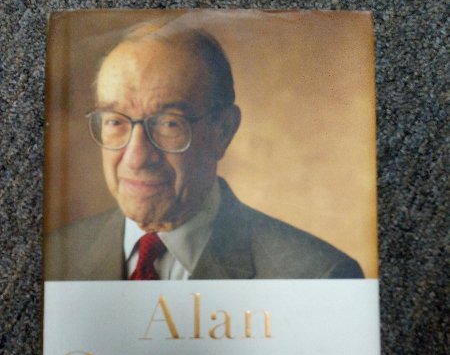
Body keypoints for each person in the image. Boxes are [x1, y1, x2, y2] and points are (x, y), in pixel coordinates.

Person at [44, 23, 364, 281]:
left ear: (223, 131)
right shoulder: (54, 258)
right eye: (115, 121)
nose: (136, 158)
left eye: (169, 123)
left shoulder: (317, 276)